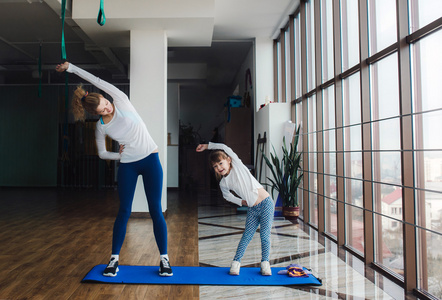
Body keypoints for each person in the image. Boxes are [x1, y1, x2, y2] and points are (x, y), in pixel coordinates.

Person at [55, 62, 173, 277]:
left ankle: (164, 260)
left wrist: (71, 67)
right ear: (96, 114)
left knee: (155, 209)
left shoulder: (121, 100)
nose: (108, 107)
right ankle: (113, 260)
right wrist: (119, 155)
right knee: (124, 211)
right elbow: (102, 154)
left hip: (150, 160)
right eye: (103, 109)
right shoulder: (102, 126)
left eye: (106, 103)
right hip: (128, 165)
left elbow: (96, 81)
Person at [196, 142, 274, 276]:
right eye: (215, 166)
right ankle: (236, 263)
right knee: (246, 236)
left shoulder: (238, 167)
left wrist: (207, 146)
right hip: (252, 209)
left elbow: (225, 147)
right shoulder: (223, 183)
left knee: (264, 235)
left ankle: (265, 263)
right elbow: (227, 196)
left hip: (266, 203)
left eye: (220, 163)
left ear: (229, 160)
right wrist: (241, 201)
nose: (219, 167)